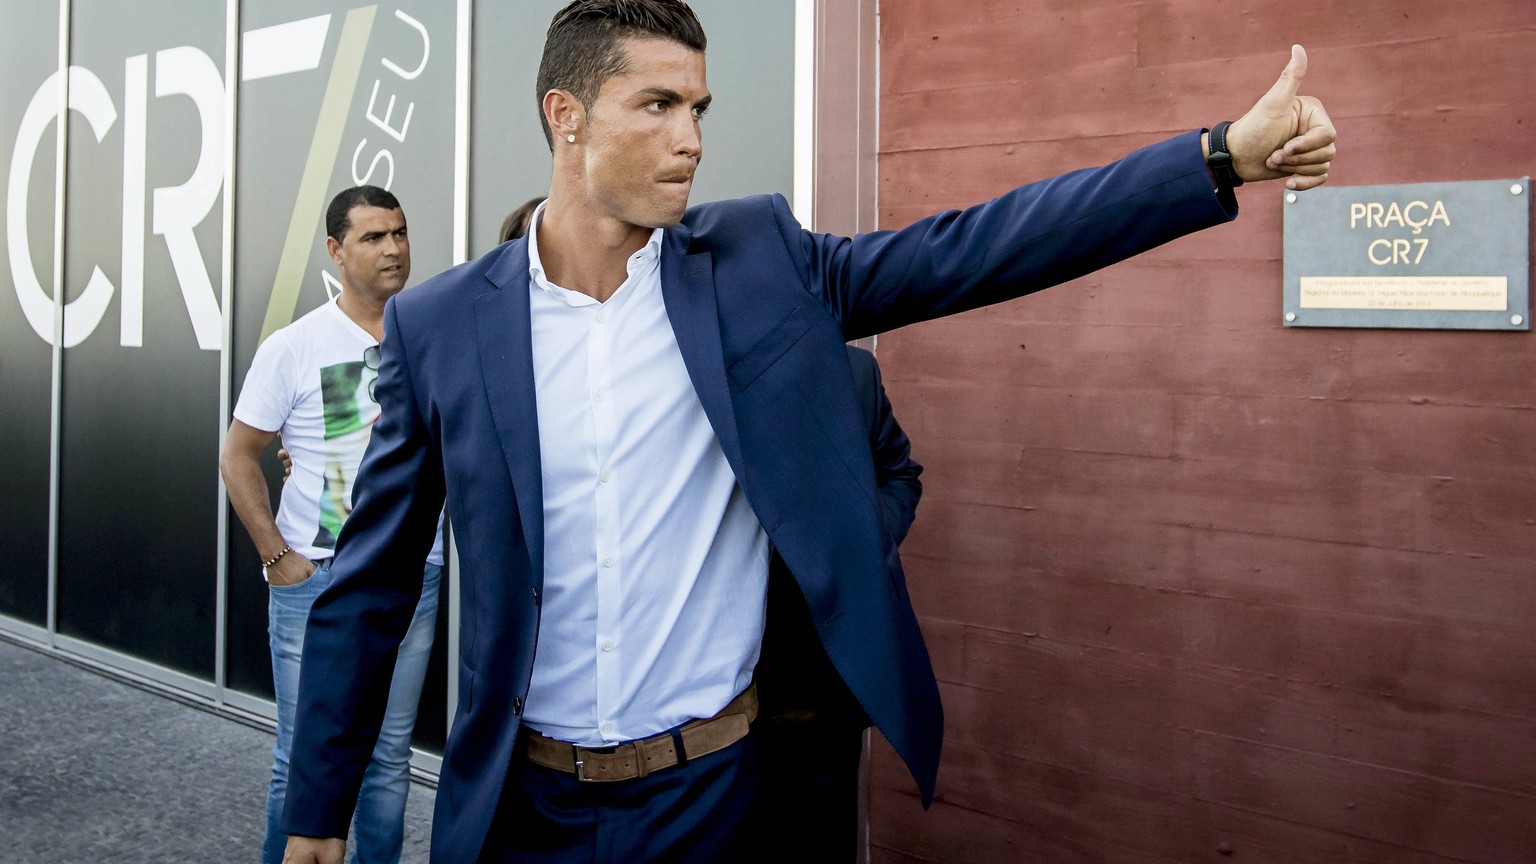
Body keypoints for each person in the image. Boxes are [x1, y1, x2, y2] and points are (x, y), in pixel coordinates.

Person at [279, 2, 1337, 861]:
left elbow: (977, 247)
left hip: (721, 804)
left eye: (699, 105)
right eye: (657, 104)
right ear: (567, 116)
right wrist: (317, 810)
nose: (693, 137)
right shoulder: (441, 324)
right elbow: (371, 583)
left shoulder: (757, 266)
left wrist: (1216, 159)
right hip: (522, 811)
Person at [220, 185, 444, 864]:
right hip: (316, 581)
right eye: (373, 237)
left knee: (388, 761)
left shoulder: (431, 336)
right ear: (335, 250)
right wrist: (278, 558)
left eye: (400, 233)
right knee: (301, 761)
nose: (393, 249)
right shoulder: (295, 347)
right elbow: (237, 455)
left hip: (413, 578)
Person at [754, 344, 922, 861]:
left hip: (824, 694)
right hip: (710, 701)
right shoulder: (691, 372)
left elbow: (900, 474)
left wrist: (862, 543)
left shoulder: (855, 371)